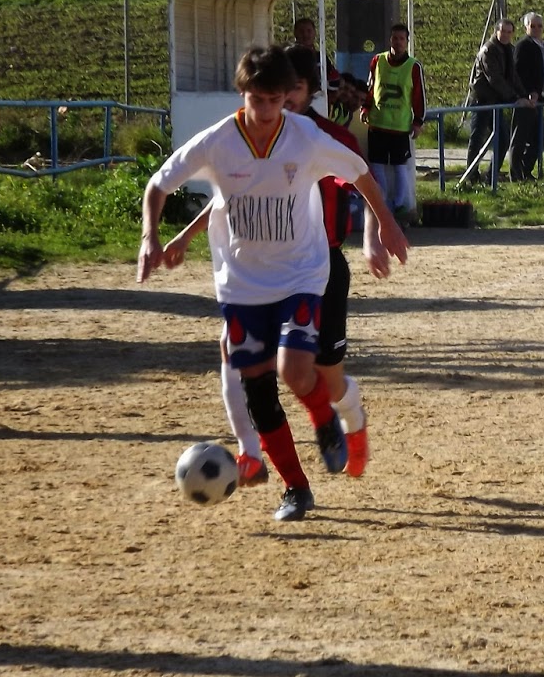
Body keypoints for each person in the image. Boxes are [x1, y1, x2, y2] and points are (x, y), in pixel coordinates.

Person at [138, 45, 408, 522]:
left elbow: (361, 173)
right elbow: (158, 185)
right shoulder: (218, 141)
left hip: (301, 274)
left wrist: (384, 223)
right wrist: (151, 238)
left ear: (287, 97)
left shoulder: (306, 137)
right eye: (255, 99)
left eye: (274, 100)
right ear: (242, 94)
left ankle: (324, 419)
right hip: (241, 284)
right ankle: (295, 489)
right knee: (258, 388)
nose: (264, 110)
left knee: (294, 371)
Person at [363, 23, 427, 223]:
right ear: (390, 40)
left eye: (401, 39)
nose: (398, 42)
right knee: (377, 165)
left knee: (400, 166)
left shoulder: (413, 66)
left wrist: (418, 121)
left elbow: (419, 96)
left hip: (400, 126)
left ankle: (400, 205)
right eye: (394, 38)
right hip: (378, 123)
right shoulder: (378, 60)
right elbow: (371, 87)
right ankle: (382, 203)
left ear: (407, 42)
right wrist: (365, 108)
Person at [467, 18, 528, 178]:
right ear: (496, 32)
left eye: (509, 32)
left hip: (496, 102)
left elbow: (513, 77)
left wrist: (524, 95)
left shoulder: (509, 50)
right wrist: (514, 98)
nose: (506, 35)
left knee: (503, 139)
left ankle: (491, 176)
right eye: (503, 31)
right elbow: (495, 79)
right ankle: (471, 177)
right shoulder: (488, 50)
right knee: (477, 140)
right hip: (482, 100)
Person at [511, 11, 544, 182]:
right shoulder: (523, 46)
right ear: (526, 27)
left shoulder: (543, 45)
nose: (537, 29)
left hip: (540, 101)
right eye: (533, 26)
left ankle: (526, 171)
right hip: (527, 101)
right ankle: (516, 174)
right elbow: (519, 73)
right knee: (520, 138)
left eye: (540, 26)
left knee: (537, 140)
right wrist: (529, 92)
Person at [291, 16, 340, 90]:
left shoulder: (321, 57)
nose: (305, 35)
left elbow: (333, 78)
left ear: (314, 33)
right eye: (301, 31)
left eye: (309, 31)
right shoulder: (290, 57)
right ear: (295, 33)